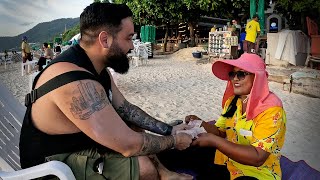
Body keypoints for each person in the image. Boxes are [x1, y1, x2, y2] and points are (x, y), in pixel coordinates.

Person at [19, 2, 193, 180]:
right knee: (144, 168)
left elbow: (126, 109)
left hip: (77, 146)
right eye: (128, 38)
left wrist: (169, 131)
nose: (132, 46)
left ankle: (165, 174)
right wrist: (174, 141)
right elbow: (128, 145)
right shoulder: (74, 80)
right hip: (52, 166)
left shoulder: (96, 67)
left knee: (131, 125)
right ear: (105, 39)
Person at [184, 53, 286, 179]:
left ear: (257, 78)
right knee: (184, 150)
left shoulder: (271, 110)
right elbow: (220, 133)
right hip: (228, 163)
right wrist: (200, 122)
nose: (235, 79)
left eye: (241, 74)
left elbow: (258, 157)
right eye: (232, 74)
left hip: (257, 173)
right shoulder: (233, 102)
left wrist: (214, 141)